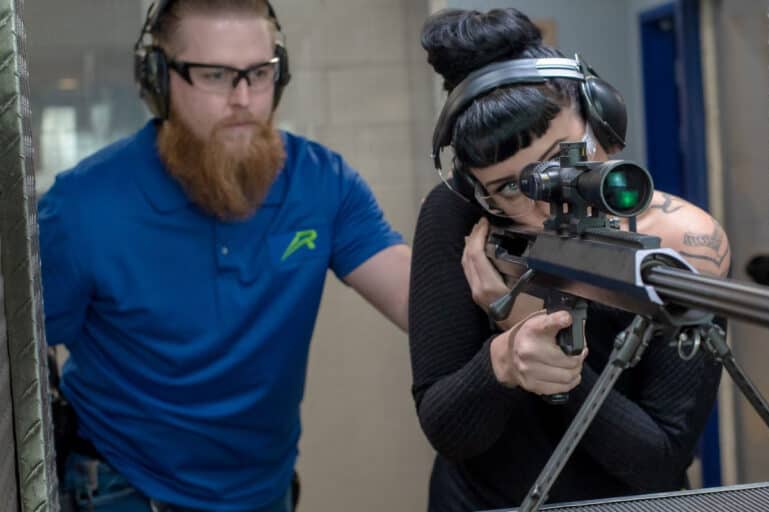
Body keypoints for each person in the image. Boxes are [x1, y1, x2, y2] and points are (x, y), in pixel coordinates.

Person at [38, 1, 410, 510]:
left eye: (259, 74)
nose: (244, 99)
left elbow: (418, 300)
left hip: (265, 488)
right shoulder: (81, 208)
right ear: (157, 79)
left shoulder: (322, 182)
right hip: (123, 485)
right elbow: (17, 358)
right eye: (215, 75)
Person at [408, 7, 732, 511]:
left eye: (563, 159)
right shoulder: (455, 215)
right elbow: (448, 428)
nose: (545, 199)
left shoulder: (683, 241)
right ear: (480, 194)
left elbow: (659, 458)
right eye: (512, 188)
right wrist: (506, 358)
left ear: (602, 124)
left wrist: (536, 333)